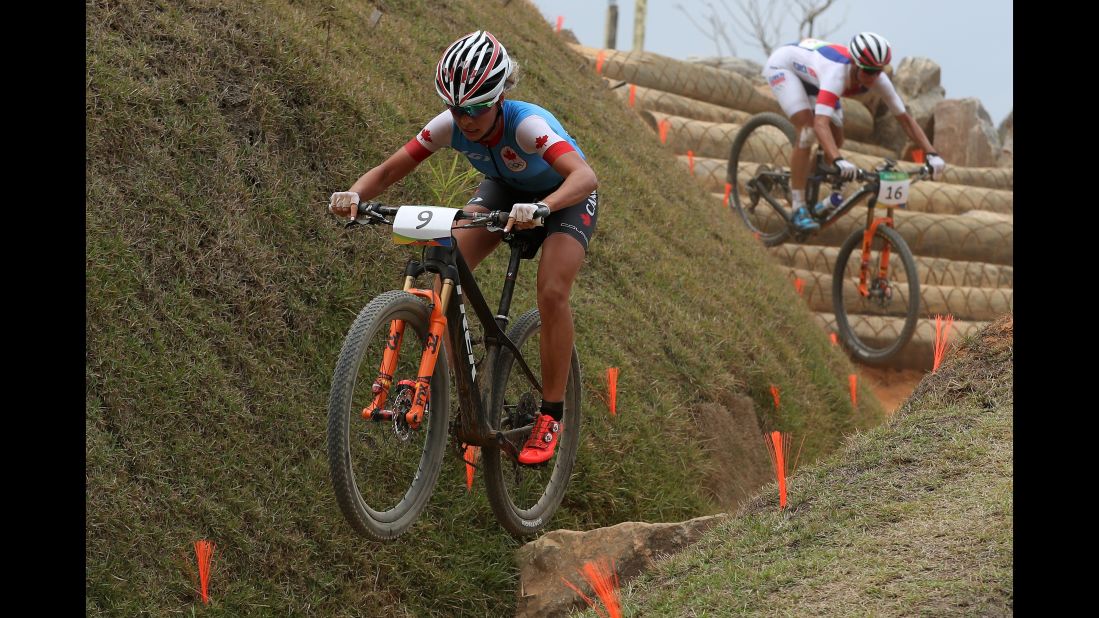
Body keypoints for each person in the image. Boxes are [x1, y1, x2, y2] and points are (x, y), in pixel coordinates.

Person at [329, 30, 599, 465]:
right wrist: (353, 196)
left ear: (499, 98)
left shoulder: (527, 126)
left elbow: (584, 177)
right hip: (504, 190)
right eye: (457, 109)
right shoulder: (449, 125)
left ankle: (551, 415)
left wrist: (542, 208)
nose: (465, 119)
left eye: (475, 108)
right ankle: (452, 389)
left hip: (564, 198)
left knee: (551, 291)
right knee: (446, 260)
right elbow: (390, 169)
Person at [761, 32, 946, 231]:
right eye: (868, 71)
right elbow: (820, 123)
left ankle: (805, 182)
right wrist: (839, 161)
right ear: (855, 64)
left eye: (878, 70)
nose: (873, 77)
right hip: (785, 68)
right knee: (808, 131)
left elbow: (905, 120)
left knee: (837, 140)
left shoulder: (877, 79)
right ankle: (798, 206)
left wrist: (931, 152)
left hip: (815, 79)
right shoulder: (836, 74)